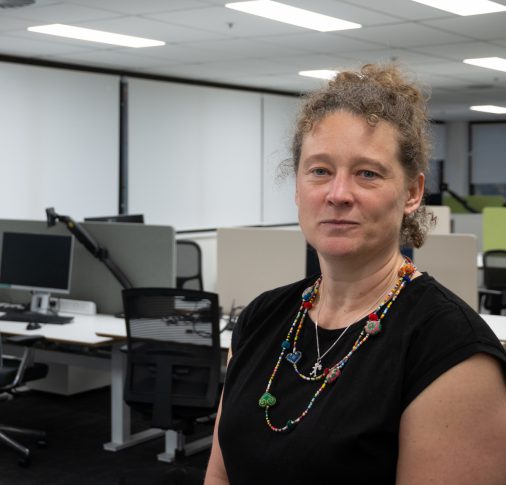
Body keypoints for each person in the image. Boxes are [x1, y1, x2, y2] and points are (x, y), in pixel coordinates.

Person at [205, 64, 506, 484]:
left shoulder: (451, 351)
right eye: (320, 171)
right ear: (297, 187)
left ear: (413, 192)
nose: (338, 194)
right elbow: (219, 474)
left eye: (367, 173)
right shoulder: (260, 318)